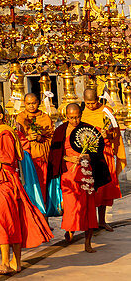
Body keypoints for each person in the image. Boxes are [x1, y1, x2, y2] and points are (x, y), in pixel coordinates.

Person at [0, 102, 53, 275]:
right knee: (13, 220)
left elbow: (7, 157)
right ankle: (16, 262)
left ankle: (6, 262)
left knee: (3, 221)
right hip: (5, 181)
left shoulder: (4, 132)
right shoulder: (0, 131)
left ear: (0, 116)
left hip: (4, 182)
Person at [51, 103, 106, 252]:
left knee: (88, 206)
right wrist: (68, 158)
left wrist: (89, 156)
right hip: (68, 174)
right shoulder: (60, 131)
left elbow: (98, 149)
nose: (75, 121)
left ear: (81, 115)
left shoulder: (87, 129)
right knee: (71, 207)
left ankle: (87, 243)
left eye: (77, 117)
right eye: (71, 118)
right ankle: (70, 230)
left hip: (85, 173)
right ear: (66, 116)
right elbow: (55, 155)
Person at [81, 88, 124, 231]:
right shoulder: (81, 112)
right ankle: (90, 221)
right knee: (90, 188)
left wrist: (108, 135)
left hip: (105, 153)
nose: (91, 106)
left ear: (97, 100)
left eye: (93, 103)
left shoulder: (106, 111)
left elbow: (115, 133)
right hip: (88, 155)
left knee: (104, 188)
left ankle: (102, 220)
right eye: (88, 103)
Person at [15, 93, 54, 205]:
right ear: (24, 103)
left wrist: (40, 137)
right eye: (28, 104)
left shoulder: (45, 117)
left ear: (39, 103)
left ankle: (44, 212)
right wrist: (27, 138)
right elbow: (15, 139)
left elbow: (52, 138)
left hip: (42, 157)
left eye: (34, 103)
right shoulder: (20, 118)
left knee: (43, 185)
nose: (31, 106)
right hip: (27, 158)